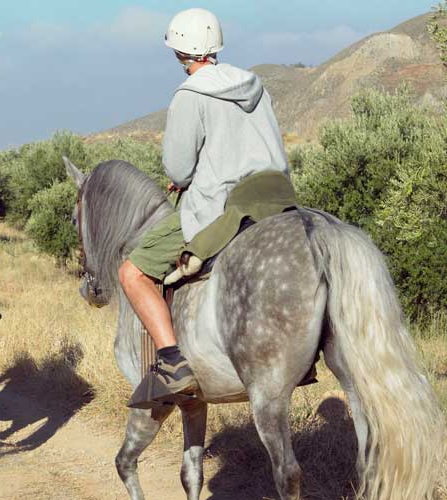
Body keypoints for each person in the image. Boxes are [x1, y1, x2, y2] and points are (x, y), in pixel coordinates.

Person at [122, 8, 290, 406]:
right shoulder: (255, 85)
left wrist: (183, 179)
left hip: (224, 206)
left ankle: (171, 363)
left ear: (180, 53)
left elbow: (178, 167)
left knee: (132, 272)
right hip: (278, 199)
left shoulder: (190, 94)